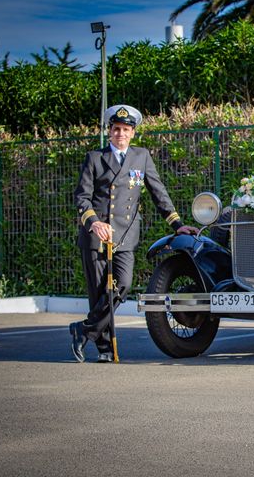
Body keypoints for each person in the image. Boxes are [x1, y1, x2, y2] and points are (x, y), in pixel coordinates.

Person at [69, 105, 198, 363]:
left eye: (125, 130)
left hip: (125, 235)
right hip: (97, 236)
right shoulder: (94, 158)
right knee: (98, 293)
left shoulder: (141, 157)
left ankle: (84, 330)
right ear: (109, 132)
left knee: (123, 285)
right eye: (116, 129)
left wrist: (177, 224)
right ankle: (104, 349)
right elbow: (82, 198)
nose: (120, 134)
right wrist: (93, 222)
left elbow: (158, 192)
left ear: (133, 133)